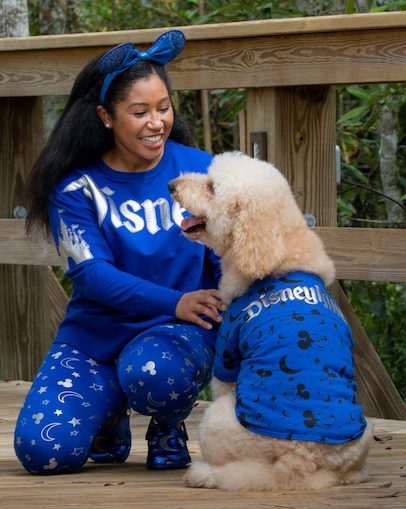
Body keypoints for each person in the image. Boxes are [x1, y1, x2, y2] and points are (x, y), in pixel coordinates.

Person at [14, 30, 225, 475]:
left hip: (176, 336)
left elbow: (232, 253)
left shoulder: (202, 171)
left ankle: (168, 423)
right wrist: (175, 299)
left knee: (152, 372)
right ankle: (108, 414)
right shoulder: (75, 188)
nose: (156, 122)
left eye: (163, 108)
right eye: (139, 111)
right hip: (96, 340)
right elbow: (92, 275)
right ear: (106, 117)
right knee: (42, 451)